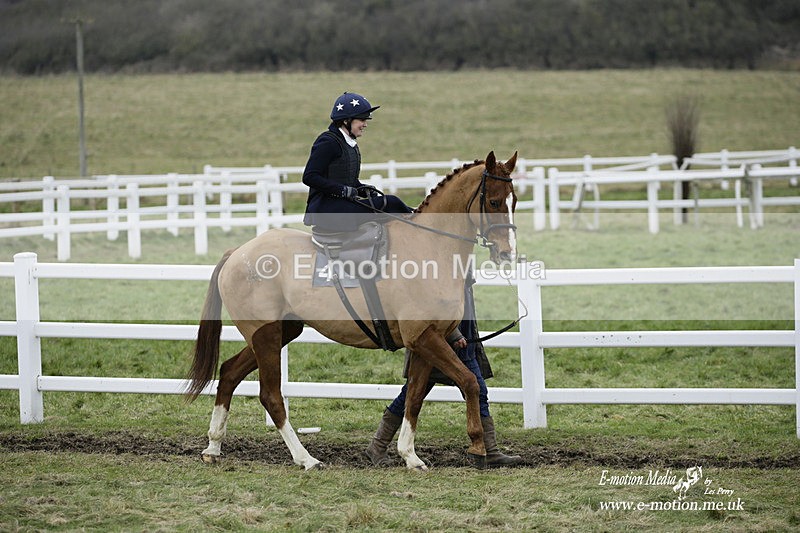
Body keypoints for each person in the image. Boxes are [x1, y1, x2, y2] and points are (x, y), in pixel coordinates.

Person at [364, 274, 524, 468]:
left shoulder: (457, 271)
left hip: (460, 343)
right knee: (421, 393)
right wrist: (455, 334)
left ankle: (378, 445)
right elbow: (430, 310)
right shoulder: (438, 273)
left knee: (466, 391)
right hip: (439, 344)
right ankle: (487, 449)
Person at [302, 92, 413, 233]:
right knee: (390, 202)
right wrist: (342, 191)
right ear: (346, 121)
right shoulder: (328, 142)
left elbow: (345, 179)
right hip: (327, 209)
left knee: (388, 204)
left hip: (342, 205)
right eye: (362, 120)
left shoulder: (348, 143)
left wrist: (362, 188)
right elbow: (309, 177)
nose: (365, 124)